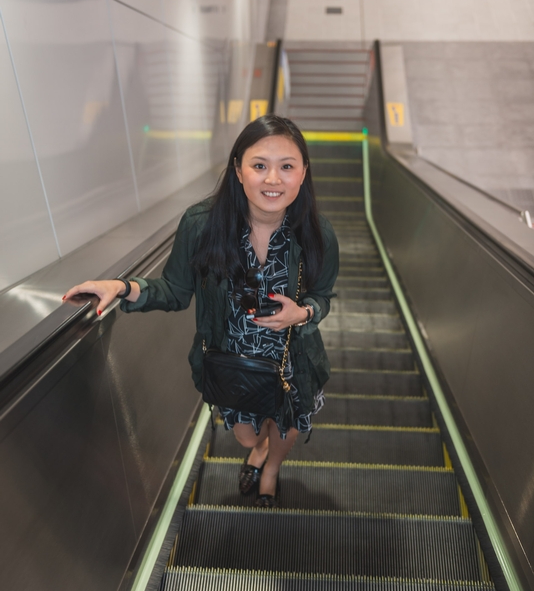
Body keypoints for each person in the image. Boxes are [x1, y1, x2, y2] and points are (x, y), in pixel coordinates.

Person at [64, 115, 339, 508]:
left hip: (290, 358)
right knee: (246, 435)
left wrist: (304, 313)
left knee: (286, 425)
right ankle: (256, 450)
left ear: (303, 173)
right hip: (231, 359)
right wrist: (122, 286)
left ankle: (271, 469)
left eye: (287, 167)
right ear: (238, 170)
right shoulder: (202, 225)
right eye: (259, 165)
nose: (273, 180)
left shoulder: (317, 233)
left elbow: (323, 295)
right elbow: (175, 290)